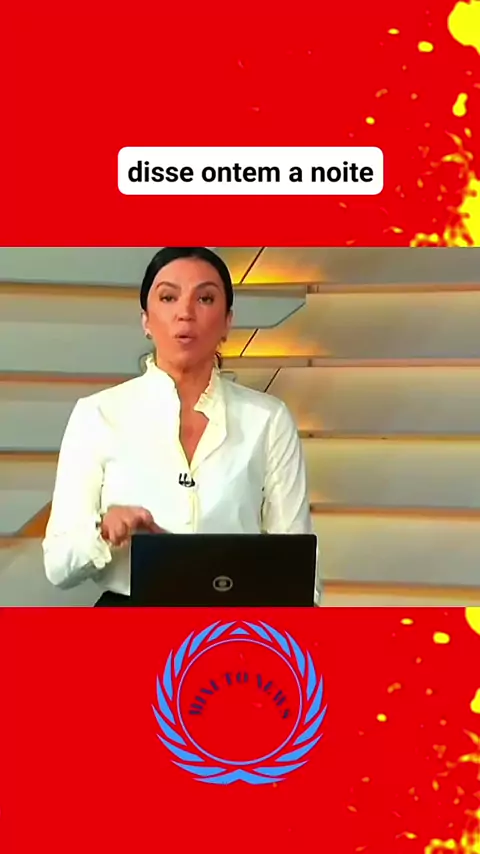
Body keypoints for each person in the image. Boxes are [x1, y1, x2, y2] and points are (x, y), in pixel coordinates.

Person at [42, 247, 318, 606]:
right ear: (146, 320)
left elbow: (297, 565)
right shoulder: (97, 415)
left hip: (233, 620)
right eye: (168, 297)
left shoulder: (267, 419)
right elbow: (58, 564)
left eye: (205, 298)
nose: (185, 313)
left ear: (227, 321)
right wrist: (104, 530)